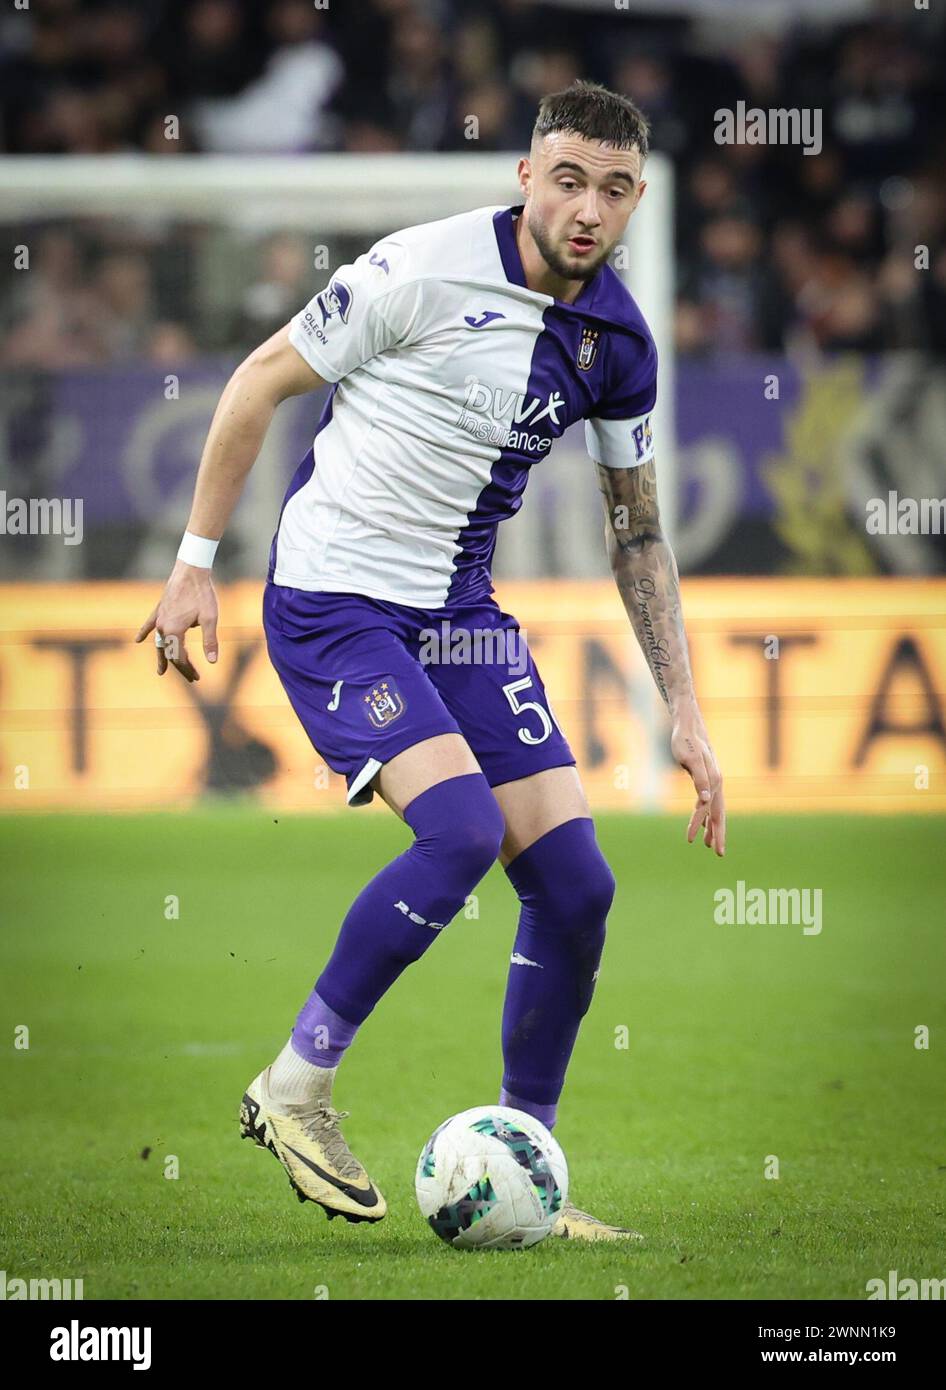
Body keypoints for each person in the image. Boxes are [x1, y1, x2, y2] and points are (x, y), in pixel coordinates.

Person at [136, 80, 725, 1242]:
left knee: (576, 885)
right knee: (457, 830)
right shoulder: (417, 269)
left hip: (456, 612)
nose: (587, 208)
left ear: (638, 199)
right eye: (566, 179)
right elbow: (259, 377)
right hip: (333, 600)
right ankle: (294, 1087)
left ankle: (530, 1171)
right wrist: (193, 562)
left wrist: (687, 712)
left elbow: (638, 529)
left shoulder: (617, 346)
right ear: (524, 176)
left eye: (612, 188)